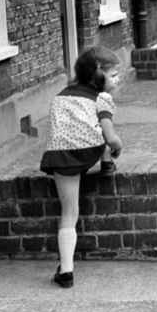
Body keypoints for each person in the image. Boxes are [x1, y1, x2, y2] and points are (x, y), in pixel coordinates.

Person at [40, 46, 123, 288]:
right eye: (114, 75)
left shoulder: (62, 95)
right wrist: (117, 148)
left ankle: (66, 271)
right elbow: (110, 136)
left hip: (60, 157)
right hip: (88, 152)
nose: (117, 79)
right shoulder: (101, 98)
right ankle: (107, 163)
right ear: (98, 76)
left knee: (69, 213)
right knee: (101, 133)